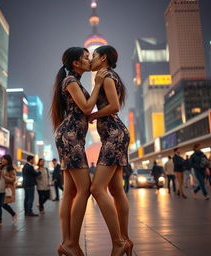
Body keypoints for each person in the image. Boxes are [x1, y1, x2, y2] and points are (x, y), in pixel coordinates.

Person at [50, 47, 108, 255]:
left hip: (72, 138)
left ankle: (66, 242)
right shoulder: (71, 82)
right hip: (71, 138)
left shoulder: (73, 81)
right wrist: (98, 84)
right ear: (75, 63)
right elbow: (86, 107)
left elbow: (85, 110)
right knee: (84, 189)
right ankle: (71, 243)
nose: (88, 59)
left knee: (70, 192)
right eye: (85, 57)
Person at [89, 45, 132, 255]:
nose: (91, 59)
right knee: (116, 190)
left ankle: (119, 242)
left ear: (104, 58)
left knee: (97, 189)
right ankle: (125, 239)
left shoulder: (106, 76)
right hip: (115, 134)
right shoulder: (108, 76)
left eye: (94, 56)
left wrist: (93, 116)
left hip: (114, 135)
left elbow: (114, 106)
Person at [0, 154, 17, 228]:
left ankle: (13, 214)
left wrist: (5, 176)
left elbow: (13, 179)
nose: (2, 160)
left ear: (8, 160)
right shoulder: (1, 168)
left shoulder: (11, 169)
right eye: (2, 159)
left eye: (4, 159)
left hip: (6, 190)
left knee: (3, 204)